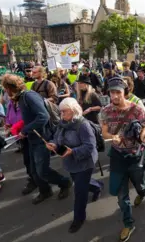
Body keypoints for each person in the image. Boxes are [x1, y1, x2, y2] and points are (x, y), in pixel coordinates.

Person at [99, 77, 145, 242]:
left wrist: (144, 137)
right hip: (117, 157)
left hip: (135, 155)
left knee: (140, 185)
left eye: (118, 92)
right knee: (122, 196)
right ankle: (128, 224)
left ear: (125, 92)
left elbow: (144, 128)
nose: (114, 96)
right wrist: (112, 136)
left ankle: (142, 192)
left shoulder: (137, 109)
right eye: (111, 93)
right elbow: (104, 132)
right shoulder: (105, 111)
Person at [11, 75, 72, 205]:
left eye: (5, 89)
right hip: (33, 137)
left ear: (10, 88)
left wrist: (25, 129)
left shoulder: (28, 96)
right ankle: (45, 191)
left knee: (42, 170)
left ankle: (65, 183)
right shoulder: (22, 97)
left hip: (42, 137)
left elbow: (43, 117)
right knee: (34, 170)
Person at [47, 98, 102, 233]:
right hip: (70, 162)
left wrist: (74, 151)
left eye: (64, 112)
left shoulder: (83, 125)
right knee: (81, 183)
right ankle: (97, 187)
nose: (61, 115)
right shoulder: (62, 123)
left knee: (79, 191)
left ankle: (79, 218)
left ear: (73, 110)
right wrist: (53, 144)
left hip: (84, 162)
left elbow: (90, 146)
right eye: (60, 112)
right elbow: (57, 137)